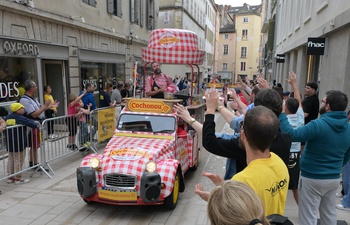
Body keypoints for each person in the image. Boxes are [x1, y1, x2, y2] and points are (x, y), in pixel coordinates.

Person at [195, 105, 289, 216]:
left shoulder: (243, 180)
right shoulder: (279, 162)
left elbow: (230, 215)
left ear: (243, 134)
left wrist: (212, 197)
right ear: (273, 136)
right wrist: (226, 189)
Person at [279, 89, 350, 225]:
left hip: (311, 178)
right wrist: (336, 168)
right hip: (333, 178)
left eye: (323, 101)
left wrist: (283, 114)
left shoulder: (318, 125)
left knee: (308, 217)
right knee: (329, 215)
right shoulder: (348, 128)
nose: (321, 104)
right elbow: (347, 155)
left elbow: (291, 135)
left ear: (328, 106)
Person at [282, 71, 304, 204]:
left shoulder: (283, 120)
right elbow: (299, 100)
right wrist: (294, 84)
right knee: (295, 186)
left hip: (284, 153)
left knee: (281, 184)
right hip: (296, 155)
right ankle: (302, 208)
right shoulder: (300, 116)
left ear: (286, 109)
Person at [19, 80, 51, 168]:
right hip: (32, 124)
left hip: (36, 124)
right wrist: (45, 106)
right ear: (30, 88)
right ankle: (34, 163)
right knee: (33, 145)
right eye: (35, 86)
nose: (36, 88)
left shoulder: (33, 98)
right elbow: (34, 113)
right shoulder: (25, 100)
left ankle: (33, 162)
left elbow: (40, 108)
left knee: (35, 145)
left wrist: (50, 106)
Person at [5, 103, 36, 184]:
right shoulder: (20, 118)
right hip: (20, 142)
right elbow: (32, 124)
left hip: (10, 142)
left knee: (11, 159)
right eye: (22, 108)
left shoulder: (7, 117)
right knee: (19, 160)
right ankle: (18, 178)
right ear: (17, 110)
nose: (23, 110)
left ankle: (10, 177)